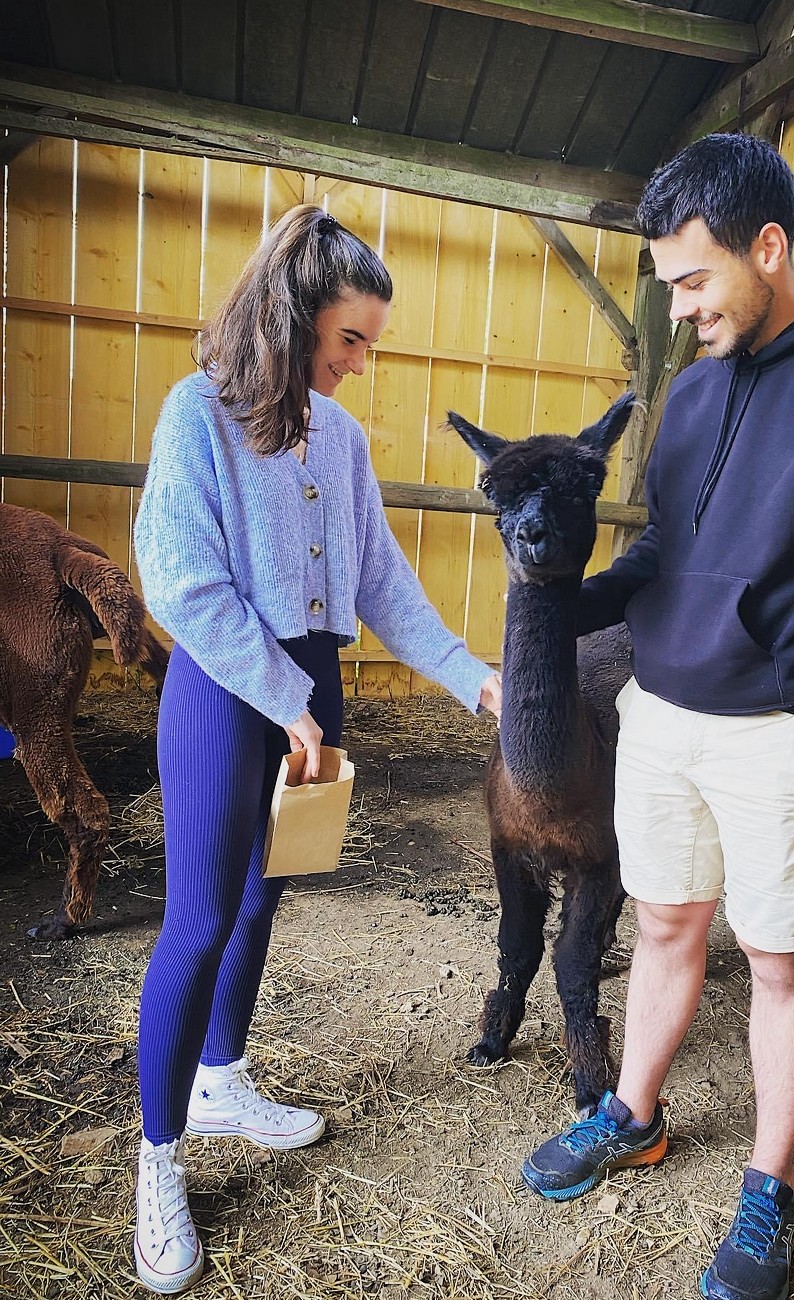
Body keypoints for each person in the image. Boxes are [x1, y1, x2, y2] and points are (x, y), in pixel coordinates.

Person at [520, 134, 794, 1300]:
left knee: (776, 959)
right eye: (667, 283)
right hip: (660, 707)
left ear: (767, 247)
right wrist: (575, 600)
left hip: (784, 724)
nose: (677, 309)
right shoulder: (698, 384)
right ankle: (630, 1108)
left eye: (692, 279)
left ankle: (768, 1187)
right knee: (662, 924)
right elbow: (670, 543)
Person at [131, 205, 501, 1295]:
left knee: (269, 897)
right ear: (295, 322)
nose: (360, 363)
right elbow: (180, 580)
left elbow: (381, 581)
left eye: (368, 343)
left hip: (315, 697)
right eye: (350, 340)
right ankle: (157, 1162)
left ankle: (223, 1078)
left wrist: (466, 671)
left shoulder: (342, 441)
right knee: (199, 918)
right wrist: (284, 696)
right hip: (225, 691)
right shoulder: (196, 413)